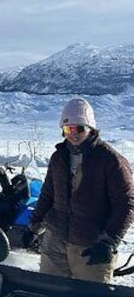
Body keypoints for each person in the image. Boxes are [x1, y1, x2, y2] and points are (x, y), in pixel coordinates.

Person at [29, 98, 134, 283]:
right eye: (69, 129)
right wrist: (34, 223)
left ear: (91, 128)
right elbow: (47, 194)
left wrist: (109, 242)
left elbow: (126, 204)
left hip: (90, 244)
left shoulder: (110, 160)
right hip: (56, 239)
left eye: (80, 128)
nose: (73, 134)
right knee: (51, 294)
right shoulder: (58, 157)